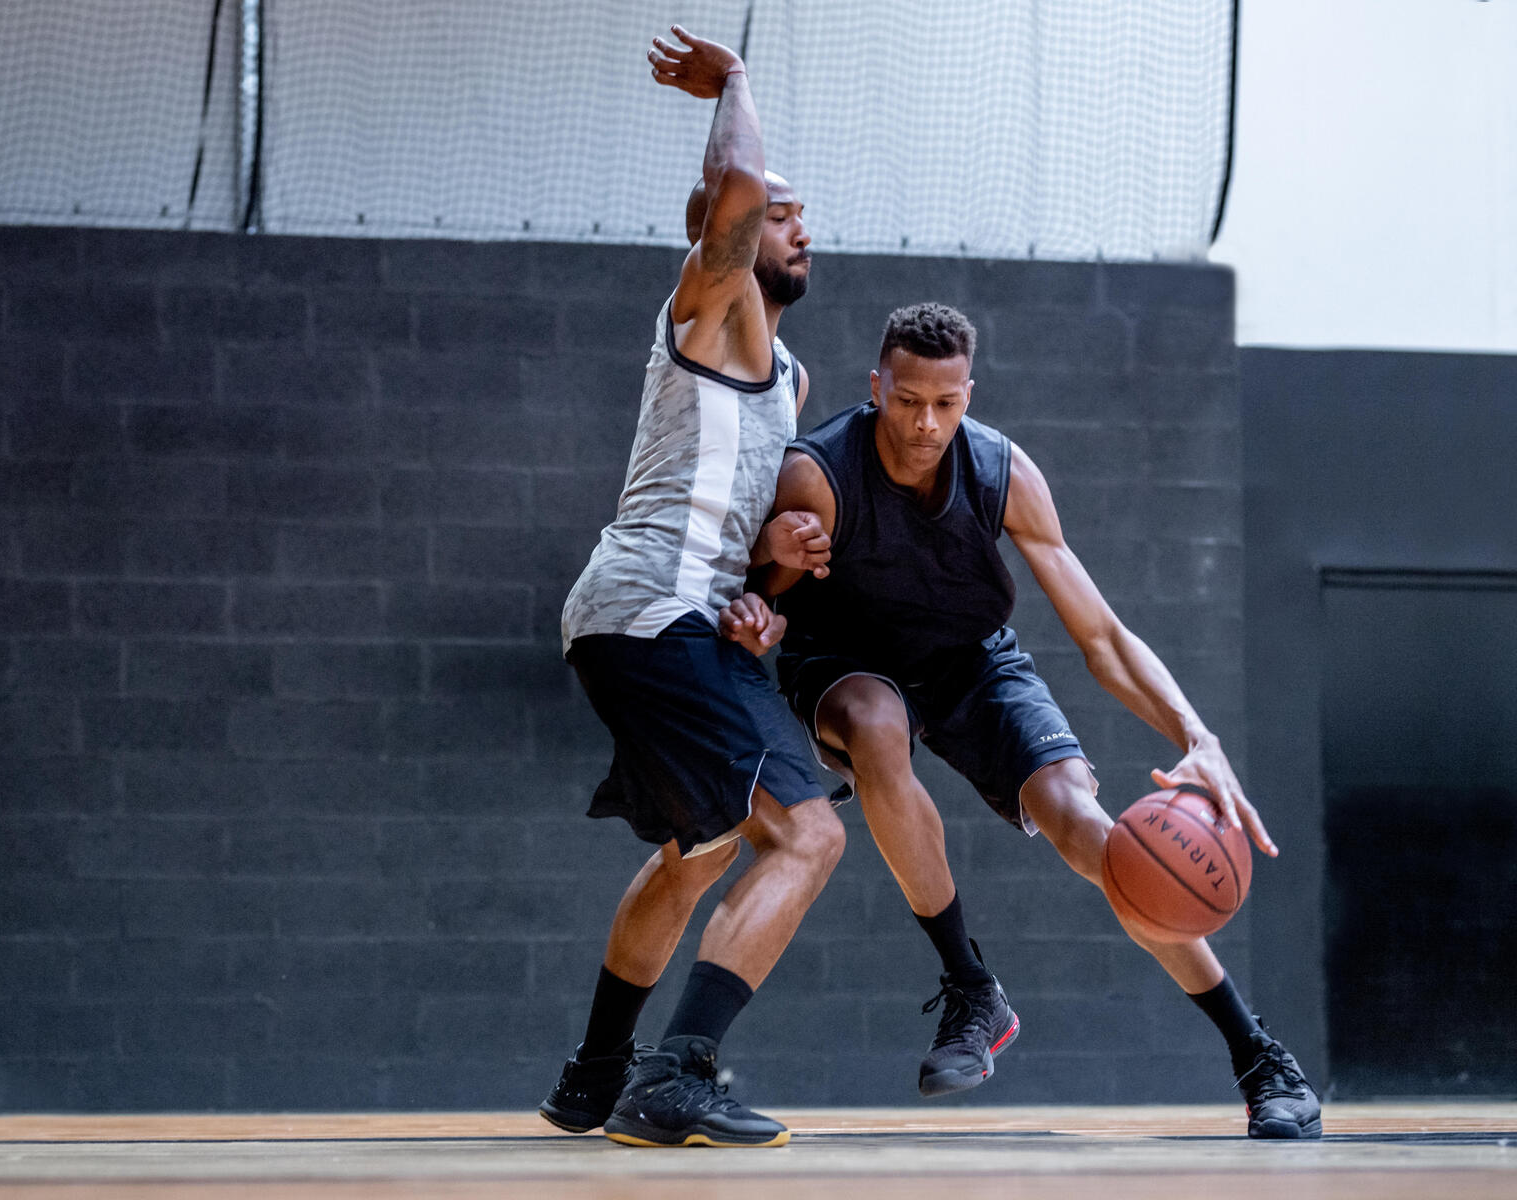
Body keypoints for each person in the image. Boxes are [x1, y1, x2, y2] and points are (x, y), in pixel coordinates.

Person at [756, 302, 1323, 1139]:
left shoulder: (1001, 472)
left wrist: (1197, 739)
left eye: (945, 405)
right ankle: (970, 987)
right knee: (877, 725)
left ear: (968, 397)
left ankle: (1261, 1060)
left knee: (1101, 837)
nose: (925, 423)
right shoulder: (819, 473)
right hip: (848, 663)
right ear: (875, 387)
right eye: (907, 399)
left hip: (971, 660)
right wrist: (772, 557)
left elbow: (1101, 637)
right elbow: (756, 593)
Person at [539, 26, 842, 1149]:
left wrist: (773, 576)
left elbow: (744, 535)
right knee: (808, 837)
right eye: (786, 214)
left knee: (704, 848)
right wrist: (740, 85)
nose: (800, 226)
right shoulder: (709, 310)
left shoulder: (787, 376)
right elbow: (739, 188)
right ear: (731, 235)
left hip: (666, 620)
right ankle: (682, 1072)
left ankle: (593, 1077)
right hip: (648, 611)